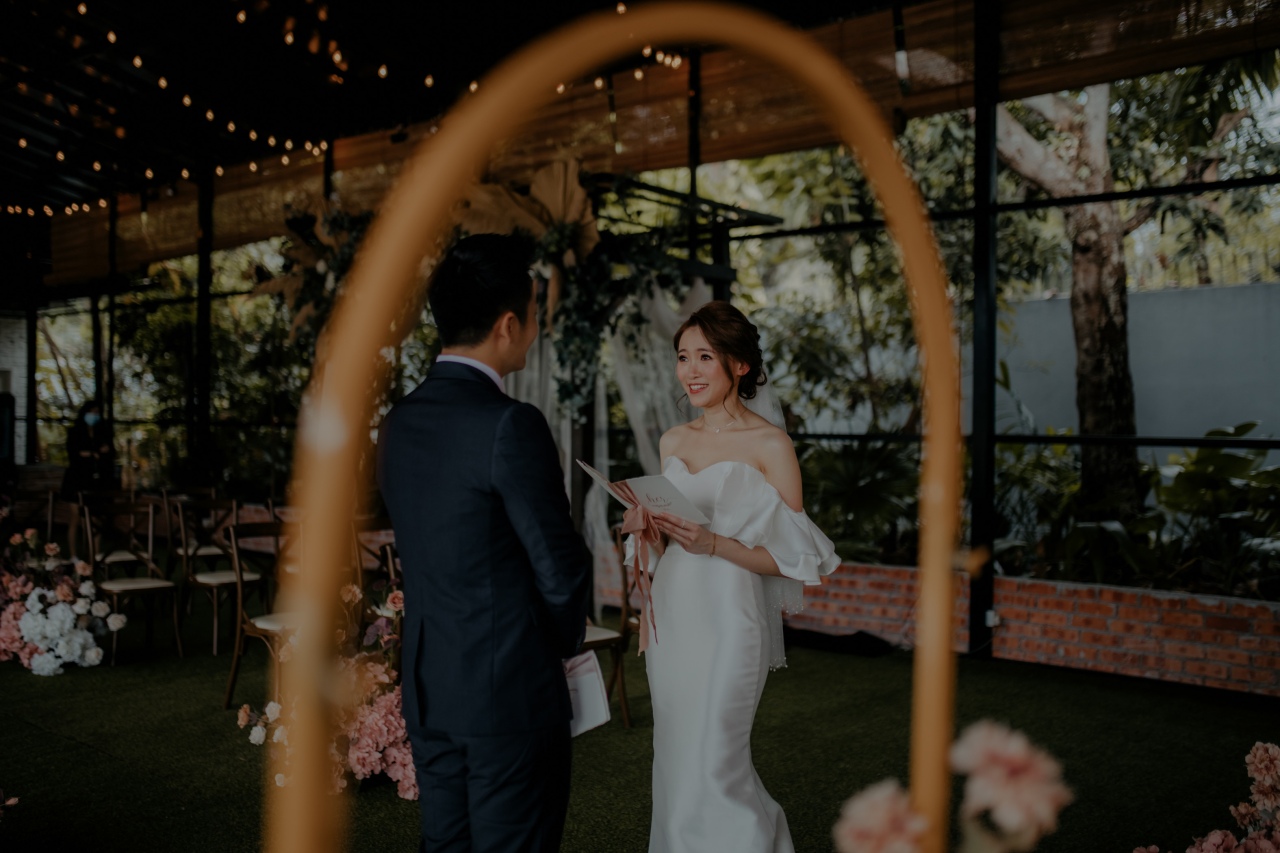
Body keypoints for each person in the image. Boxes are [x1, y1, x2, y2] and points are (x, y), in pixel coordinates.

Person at [376, 233, 592, 853]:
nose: (535, 329)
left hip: (428, 686)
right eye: (533, 314)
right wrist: (555, 649)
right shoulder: (509, 424)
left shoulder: (398, 424)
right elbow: (561, 568)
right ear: (507, 325)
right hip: (508, 693)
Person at [639, 300, 840, 853]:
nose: (691, 370)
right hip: (672, 613)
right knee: (676, 751)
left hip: (731, 616)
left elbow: (796, 558)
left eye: (706, 356)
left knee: (717, 757)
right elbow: (663, 541)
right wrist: (645, 525)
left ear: (740, 364)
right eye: (684, 356)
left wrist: (715, 543)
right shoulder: (673, 440)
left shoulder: (771, 444)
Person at [63, 400, 115, 496]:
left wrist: (105, 450)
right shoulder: (75, 432)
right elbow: (73, 452)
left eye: (97, 413)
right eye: (93, 412)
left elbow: (110, 452)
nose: (96, 415)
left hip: (100, 475)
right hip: (79, 474)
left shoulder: (101, 433)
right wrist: (91, 453)